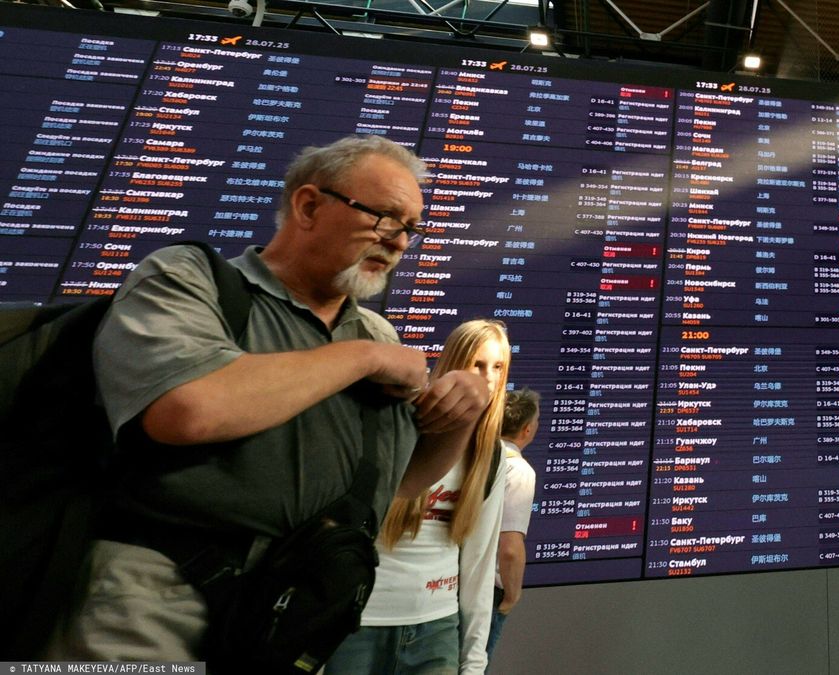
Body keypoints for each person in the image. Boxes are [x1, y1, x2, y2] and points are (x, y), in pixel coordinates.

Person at [46, 135, 490, 661]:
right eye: (385, 218)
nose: (397, 243)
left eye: (410, 229)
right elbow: (187, 409)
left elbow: (399, 481)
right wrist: (362, 359)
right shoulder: (189, 279)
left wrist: (462, 415)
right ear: (307, 206)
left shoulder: (373, 331)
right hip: (151, 606)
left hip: (292, 614)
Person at [326, 319, 511, 675]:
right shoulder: (400, 429)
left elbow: (479, 563)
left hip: (436, 627)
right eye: (478, 363)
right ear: (454, 362)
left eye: (498, 367)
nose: (487, 377)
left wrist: (474, 661)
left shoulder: (491, 456)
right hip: (359, 621)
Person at [486, 387, 541, 664]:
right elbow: (510, 547)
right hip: (489, 594)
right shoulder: (519, 471)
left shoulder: (476, 457)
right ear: (527, 429)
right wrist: (512, 596)